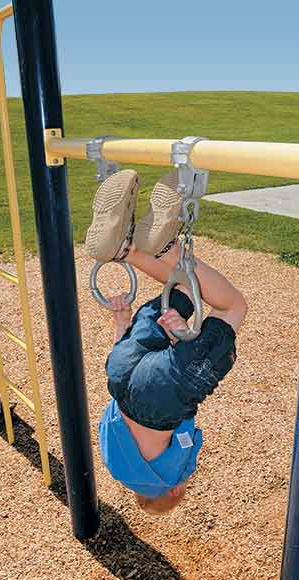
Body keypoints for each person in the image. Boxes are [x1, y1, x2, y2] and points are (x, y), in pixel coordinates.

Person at [86, 169, 247, 514]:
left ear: (175, 491)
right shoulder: (114, 462)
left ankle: (166, 248)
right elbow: (124, 395)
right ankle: (127, 250)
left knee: (232, 307)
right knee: (186, 291)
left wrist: (179, 346)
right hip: (121, 374)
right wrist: (122, 324)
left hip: (159, 396)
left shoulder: (172, 476)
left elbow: (168, 395)